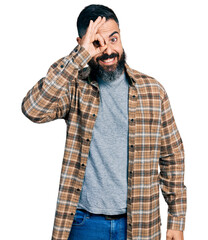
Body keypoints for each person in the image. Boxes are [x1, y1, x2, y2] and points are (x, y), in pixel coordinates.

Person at [21, 4, 187, 240]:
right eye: (97, 44)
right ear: (83, 43)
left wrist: (176, 220)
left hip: (140, 223)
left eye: (113, 38)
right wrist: (79, 56)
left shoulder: (153, 91)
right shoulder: (75, 88)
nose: (108, 50)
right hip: (84, 223)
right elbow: (33, 109)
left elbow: (172, 156)